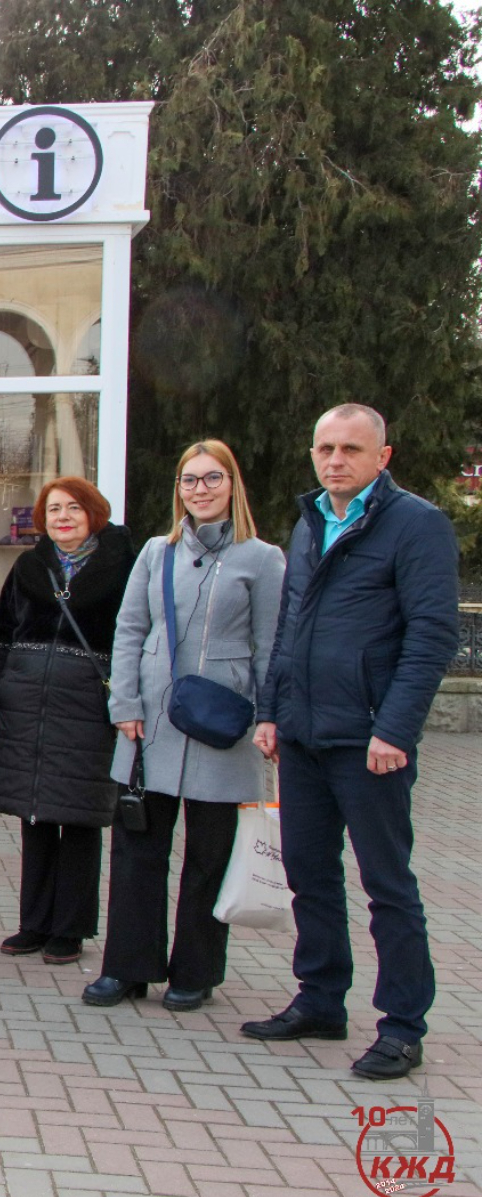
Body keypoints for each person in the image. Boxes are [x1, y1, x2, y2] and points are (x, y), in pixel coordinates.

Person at [242, 404, 460, 1081]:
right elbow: (289, 627)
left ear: (382, 457)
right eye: (325, 448)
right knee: (308, 873)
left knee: (387, 885)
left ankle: (401, 1025)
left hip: (369, 742)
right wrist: (272, 711)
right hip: (303, 735)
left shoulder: (416, 526)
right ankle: (320, 998)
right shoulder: (311, 525)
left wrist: (393, 728)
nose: (335, 460)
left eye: (350, 450)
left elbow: (431, 636)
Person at [83, 441, 284, 1012]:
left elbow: (271, 647)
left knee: (208, 858)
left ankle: (195, 972)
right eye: (189, 481)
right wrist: (124, 703)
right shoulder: (155, 552)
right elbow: (128, 630)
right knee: (137, 850)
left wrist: (269, 717)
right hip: (150, 725)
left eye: (211, 478)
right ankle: (127, 967)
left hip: (223, 727)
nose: (199, 489)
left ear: (232, 483)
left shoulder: (262, 559)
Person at [0, 477, 133, 965]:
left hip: (87, 707)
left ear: (93, 513)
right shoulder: (30, 566)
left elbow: (133, 641)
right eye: (54, 509)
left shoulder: (121, 567)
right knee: (35, 815)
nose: (63, 517)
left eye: (73, 509)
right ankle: (34, 923)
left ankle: (71, 929)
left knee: (80, 816)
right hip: (25, 703)